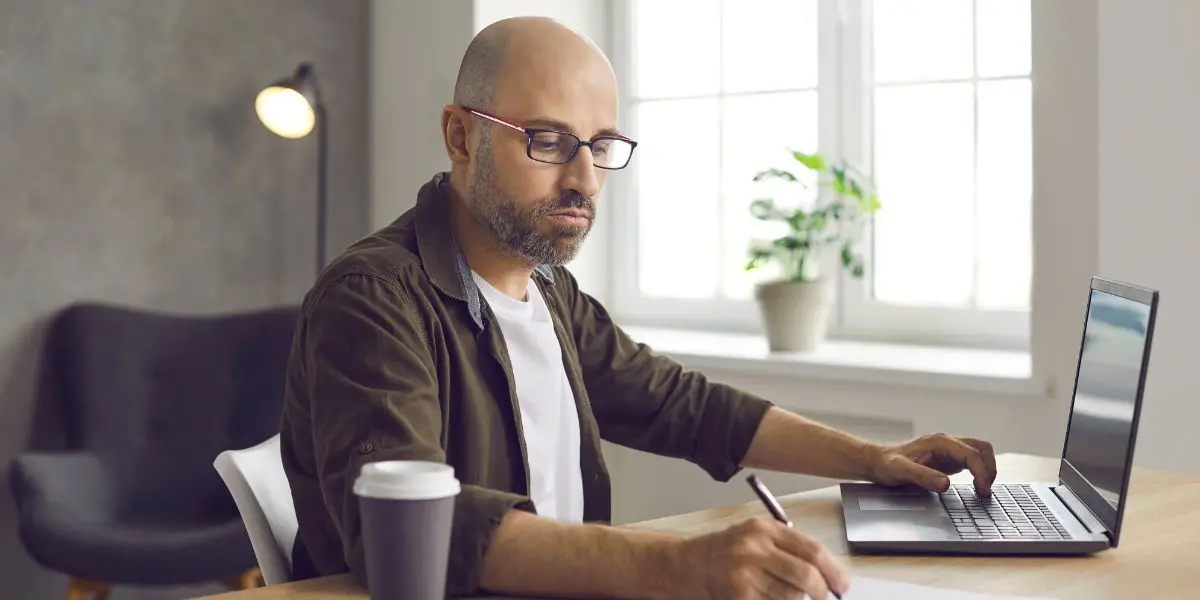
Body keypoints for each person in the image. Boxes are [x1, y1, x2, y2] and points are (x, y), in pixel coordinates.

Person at [279, 16, 998, 600]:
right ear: (463, 137)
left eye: (600, 145)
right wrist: (672, 566)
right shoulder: (374, 298)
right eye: (550, 140)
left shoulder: (546, 289)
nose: (584, 179)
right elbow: (408, 528)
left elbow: (683, 406)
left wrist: (873, 459)